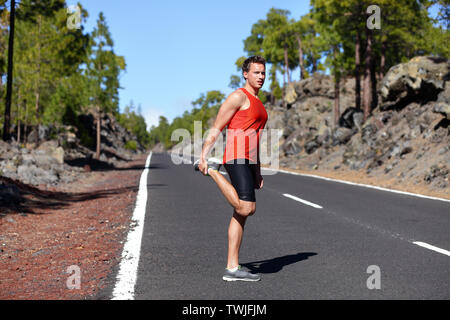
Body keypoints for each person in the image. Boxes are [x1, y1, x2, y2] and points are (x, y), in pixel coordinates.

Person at [194, 56, 268, 281]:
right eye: (256, 72)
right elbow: (218, 126)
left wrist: (257, 171)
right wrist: (204, 156)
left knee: (241, 214)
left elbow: (257, 138)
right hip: (235, 156)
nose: (261, 77)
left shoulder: (259, 103)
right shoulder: (238, 96)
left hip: (248, 159)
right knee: (247, 208)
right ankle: (214, 171)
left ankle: (232, 268)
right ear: (245, 74)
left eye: (263, 73)